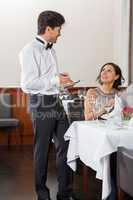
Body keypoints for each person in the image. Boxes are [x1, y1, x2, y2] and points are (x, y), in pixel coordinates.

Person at [19, 10, 78, 200]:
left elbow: (51, 81)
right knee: (42, 150)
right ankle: (42, 195)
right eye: (58, 29)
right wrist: (54, 80)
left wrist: (61, 83)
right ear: (49, 28)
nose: (60, 33)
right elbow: (27, 84)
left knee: (66, 145)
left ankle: (65, 193)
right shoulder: (28, 50)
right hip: (41, 104)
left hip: (56, 102)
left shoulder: (51, 49)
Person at [84, 62, 125, 200]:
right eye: (103, 70)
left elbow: (126, 117)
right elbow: (88, 117)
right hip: (97, 136)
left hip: (114, 134)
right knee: (114, 154)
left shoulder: (120, 94)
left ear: (116, 76)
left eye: (109, 70)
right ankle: (112, 191)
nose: (104, 72)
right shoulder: (92, 92)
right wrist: (104, 109)